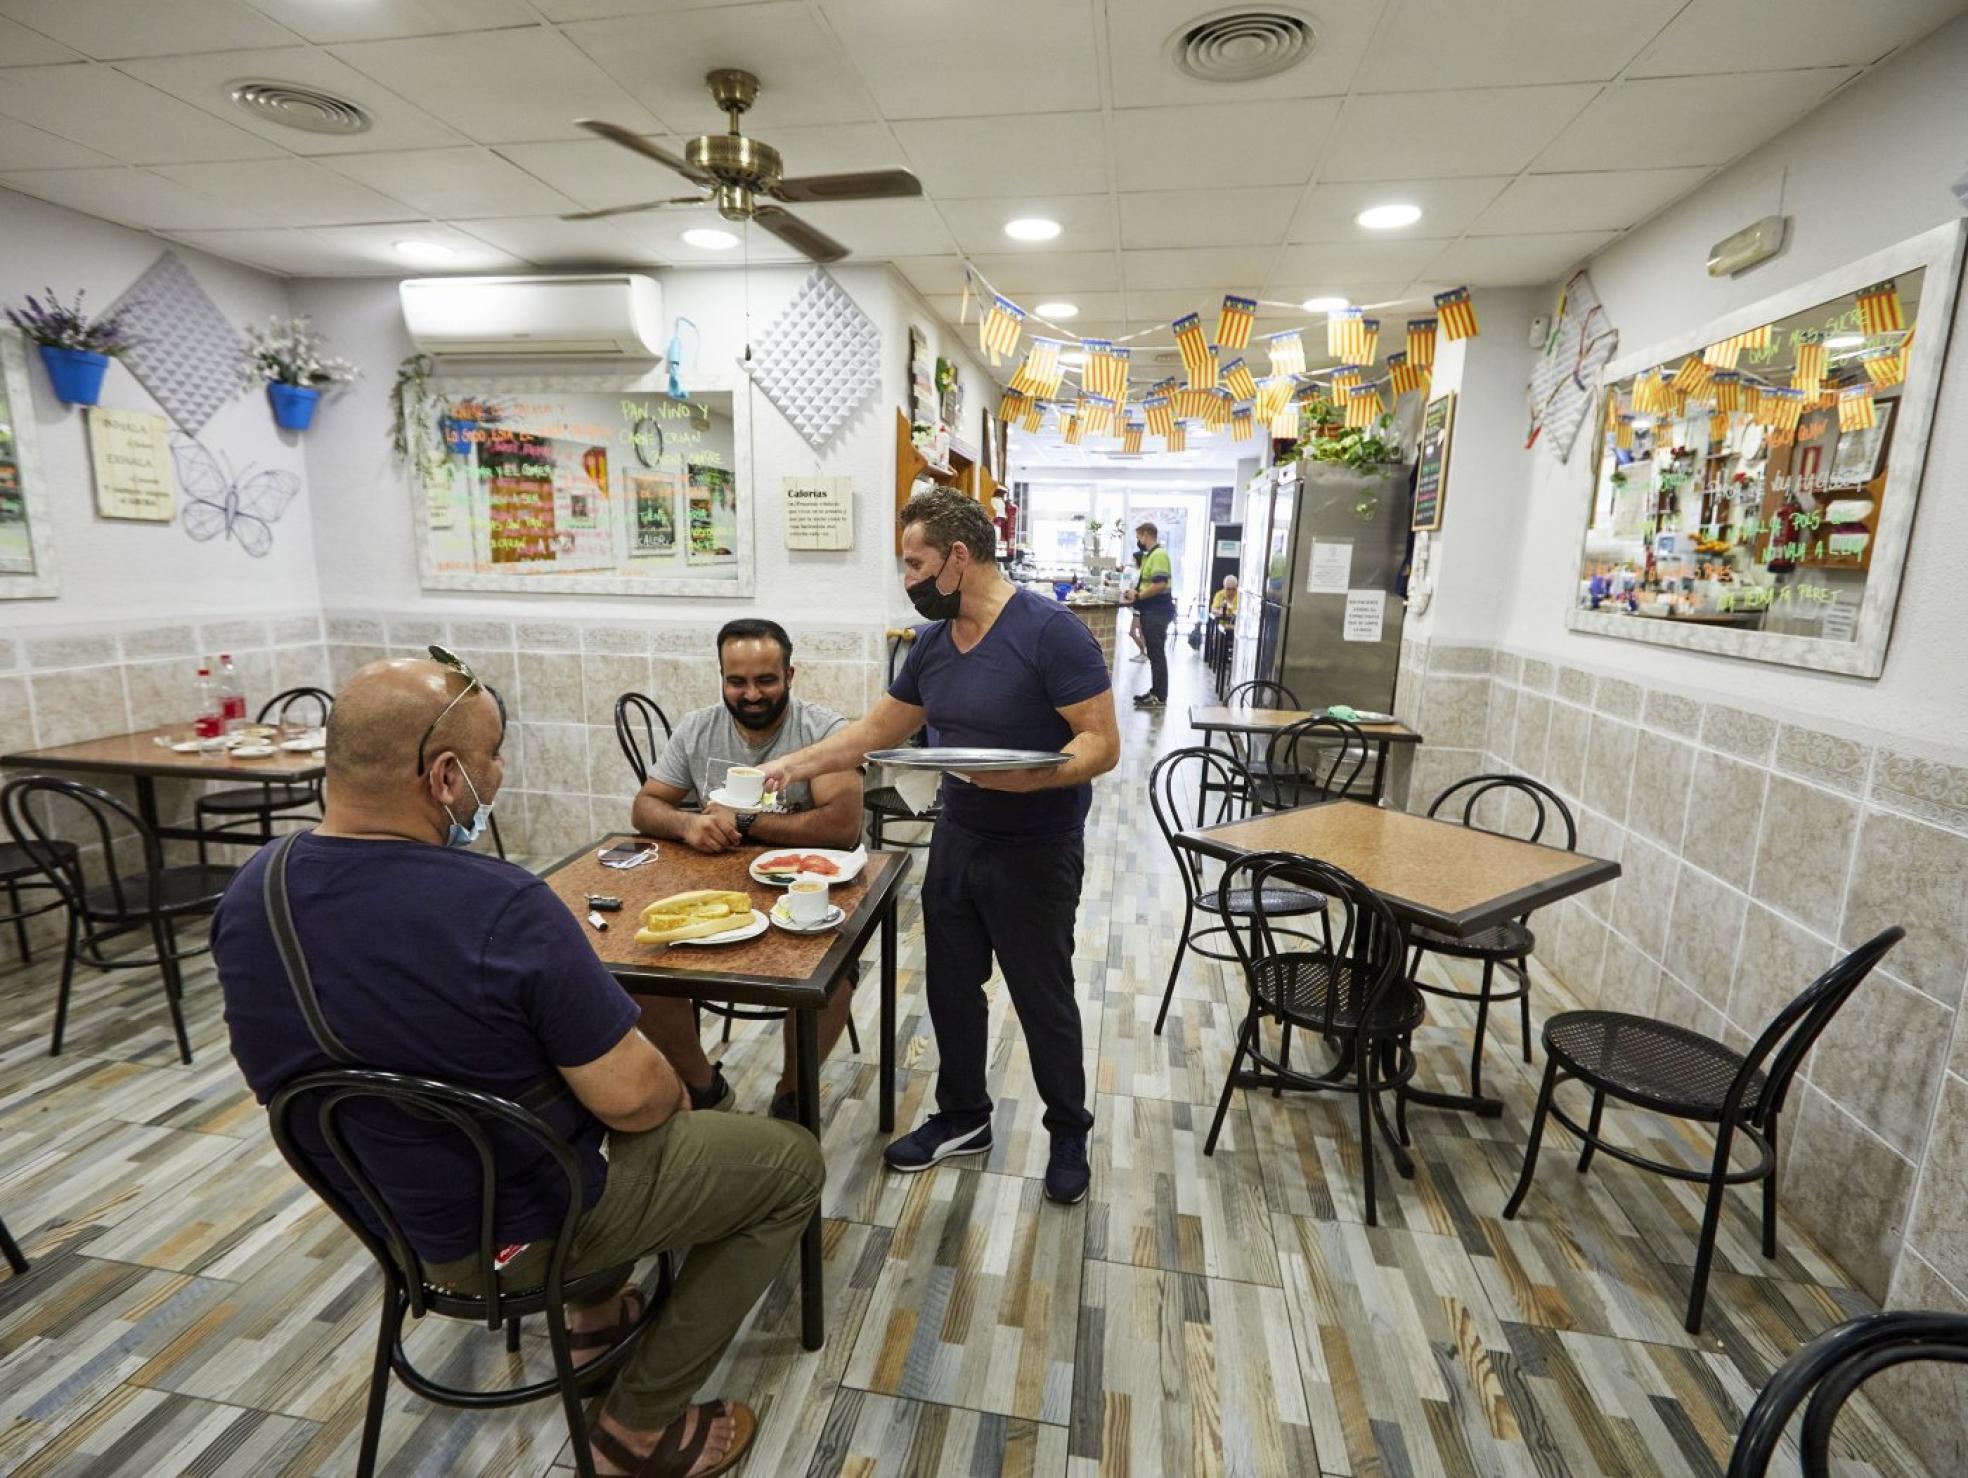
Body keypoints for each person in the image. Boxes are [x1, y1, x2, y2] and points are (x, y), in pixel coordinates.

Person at [212, 654, 820, 1477]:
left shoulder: (252, 894)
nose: (499, 775)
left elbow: (280, 1081)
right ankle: (636, 1430)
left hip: (390, 1221)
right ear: (446, 776)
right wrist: (677, 1089)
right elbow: (641, 1104)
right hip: (525, 1223)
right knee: (786, 1164)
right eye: (493, 756)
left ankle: (596, 1319)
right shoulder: (500, 904)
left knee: (560, 1115)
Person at [761, 488, 1119, 1205]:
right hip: (959, 835)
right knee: (952, 988)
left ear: (958, 557)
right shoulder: (931, 644)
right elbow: (875, 733)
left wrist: (1041, 777)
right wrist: (788, 767)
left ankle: (1069, 1132)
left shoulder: (1051, 633)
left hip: (1036, 847)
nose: (908, 579)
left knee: (1041, 995)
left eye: (914, 563)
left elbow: (1101, 745)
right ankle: (963, 1117)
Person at [630, 618, 862, 1121]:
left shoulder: (825, 732)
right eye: (737, 681)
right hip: (711, 890)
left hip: (802, 893)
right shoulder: (698, 727)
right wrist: (687, 825)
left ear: (790, 675)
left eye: (765, 680)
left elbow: (843, 828)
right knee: (639, 969)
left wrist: (748, 821)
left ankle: (792, 1093)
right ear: (721, 677)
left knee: (831, 984)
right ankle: (702, 1084)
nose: (751, 694)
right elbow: (645, 807)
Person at [1120, 521, 1175, 708]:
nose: (1138, 541)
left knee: (1156, 654)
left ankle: (1159, 696)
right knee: (1154, 653)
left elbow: (1160, 584)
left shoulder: (1158, 555)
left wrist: (1139, 595)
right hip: (1150, 610)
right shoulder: (1150, 555)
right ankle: (1156, 692)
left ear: (1146, 535)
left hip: (1157, 611)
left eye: (1139, 537)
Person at [1208, 575, 1240, 664]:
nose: (1231, 592)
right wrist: (1220, 611)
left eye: (1233, 589)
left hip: (1236, 625)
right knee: (1217, 636)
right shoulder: (1220, 595)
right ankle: (1219, 660)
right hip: (1221, 625)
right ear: (1224, 588)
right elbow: (1213, 609)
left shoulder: (1240, 596)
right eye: (1228, 589)